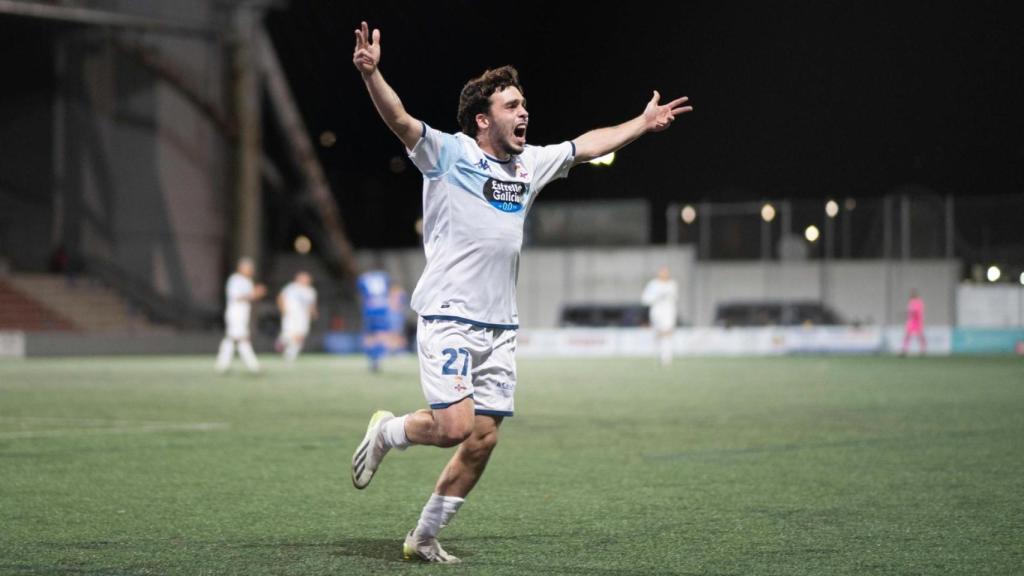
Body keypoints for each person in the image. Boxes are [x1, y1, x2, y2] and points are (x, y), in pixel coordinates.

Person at [349, 20, 692, 563]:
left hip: (501, 326)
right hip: (450, 316)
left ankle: (424, 536)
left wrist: (643, 123)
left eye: (524, 104)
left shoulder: (529, 164)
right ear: (484, 119)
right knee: (454, 426)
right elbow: (399, 120)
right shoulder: (448, 154)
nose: (523, 112)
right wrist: (372, 74)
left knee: (482, 439)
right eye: (512, 105)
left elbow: (586, 145)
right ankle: (388, 432)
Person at [215, 257, 266, 373]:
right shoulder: (236, 280)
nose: (251, 270)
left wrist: (254, 294)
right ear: (241, 268)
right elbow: (237, 297)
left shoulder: (247, 281)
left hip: (243, 312)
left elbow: (248, 297)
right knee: (242, 338)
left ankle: (222, 365)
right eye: (249, 268)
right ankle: (253, 365)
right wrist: (255, 293)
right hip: (236, 312)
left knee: (231, 338)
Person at [641, 266, 679, 366]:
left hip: (669, 312)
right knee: (658, 334)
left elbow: (674, 299)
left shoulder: (672, 284)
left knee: (667, 333)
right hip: (656, 312)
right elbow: (645, 299)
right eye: (662, 272)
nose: (664, 274)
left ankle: (666, 358)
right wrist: (657, 297)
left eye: (666, 272)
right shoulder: (653, 284)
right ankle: (658, 355)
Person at [277, 271, 318, 363]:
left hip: (304, 317)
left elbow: (311, 305)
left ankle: (289, 355)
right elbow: (281, 297)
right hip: (291, 314)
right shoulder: (291, 287)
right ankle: (282, 342)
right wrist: (283, 309)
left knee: (300, 336)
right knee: (290, 334)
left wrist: (314, 313)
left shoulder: (311, 291)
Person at [902, 289, 926, 355]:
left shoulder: (919, 302)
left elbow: (918, 312)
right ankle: (904, 350)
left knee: (920, 336)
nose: (912, 295)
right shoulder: (911, 302)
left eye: (913, 294)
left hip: (918, 321)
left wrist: (913, 313)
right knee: (907, 336)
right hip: (911, 321)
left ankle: (923, 350)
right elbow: (910, 311)